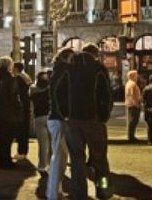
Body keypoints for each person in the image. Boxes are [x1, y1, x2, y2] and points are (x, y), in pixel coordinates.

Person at [56, 51, 113, 200]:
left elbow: (58, 93)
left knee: (76, 160)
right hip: (94, 120)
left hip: (73, 121)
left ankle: (79, 193)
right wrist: (103, 116)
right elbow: (106, 94)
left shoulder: (68, 70)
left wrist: (65, 113)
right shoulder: (98, 69)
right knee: (100, 159)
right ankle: (104, 190)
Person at [47, 48, 73, 200]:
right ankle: (53, 193)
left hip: (57, 118)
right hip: (59, 119)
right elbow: (59, 96)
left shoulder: (57, 71)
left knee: (60, 157)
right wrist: (65, 114)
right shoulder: (63, 72)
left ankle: (55, 191)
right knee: (58, 157)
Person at [0, 56, 25, 169]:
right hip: (9, 114)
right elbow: (14, 97)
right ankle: (6, 161)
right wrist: (19, 108)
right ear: (9, 66)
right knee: (7, 139)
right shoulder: (11, 79)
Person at [30, 70, 51, 173]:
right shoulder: (50, 89)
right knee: (52, 143)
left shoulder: (33, 89)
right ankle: (52, 164)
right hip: (50, 117)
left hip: (38, 117)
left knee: (43, 144)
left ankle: (42, 165)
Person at [12, 61, 32, 161]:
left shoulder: (18, 78)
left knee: (21, 131)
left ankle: (21, 152)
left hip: (21, 108)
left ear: (16, 69)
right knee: (25, 130)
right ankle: (24, 151)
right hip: (27, 107)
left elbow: (17, 94)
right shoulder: (26, 77)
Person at [124, 70, 141, 143]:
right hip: (133, 104)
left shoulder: (128, 83)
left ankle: (131, 136)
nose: (137, 77)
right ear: (132, 76)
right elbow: (133, 95)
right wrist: (137, 104)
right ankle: (131, 136)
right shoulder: (133, 84)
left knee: (131, 121)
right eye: (136, 75)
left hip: (129, 103)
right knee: (133, 121)